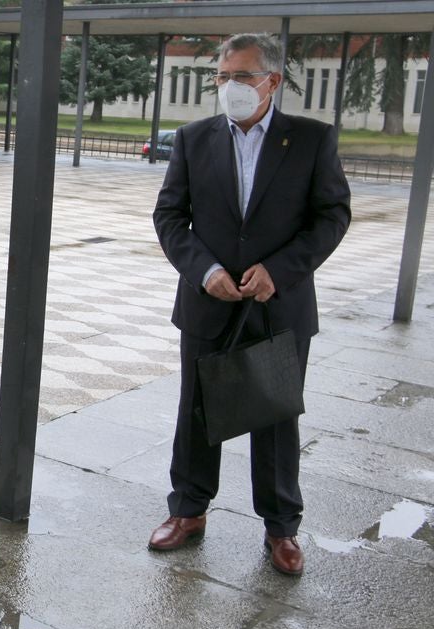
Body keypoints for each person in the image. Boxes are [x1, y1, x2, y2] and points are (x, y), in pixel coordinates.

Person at [150, 33, 351, 576]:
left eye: (242, 76)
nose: (230, 86)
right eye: (222, 76)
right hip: (208, 300)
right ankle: (188, 511)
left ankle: (281, 527)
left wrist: (280, 271)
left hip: (277, 303)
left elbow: (331, 216)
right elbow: (169, 216)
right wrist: (205, 270)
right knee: (196, 411)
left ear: (272, 81)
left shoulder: (310, 140)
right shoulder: (194, 139)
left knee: (276, 415)